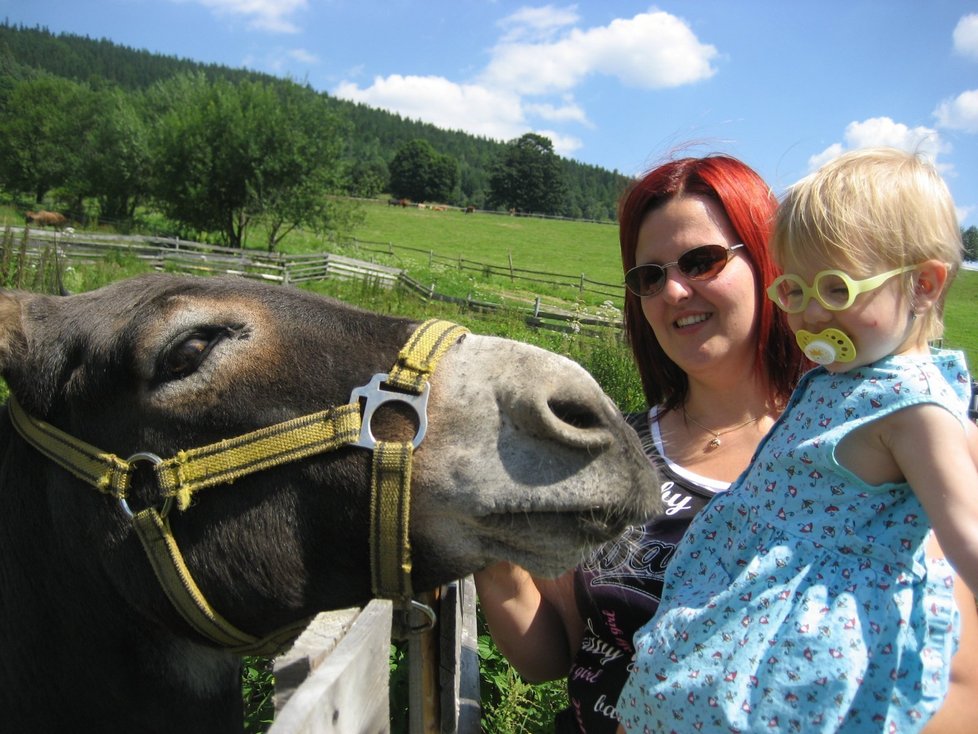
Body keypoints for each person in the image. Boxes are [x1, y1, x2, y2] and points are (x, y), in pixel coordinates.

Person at [474, 152, 978, 734]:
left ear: (768, 265)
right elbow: (554, 655)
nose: (674, 291)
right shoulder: (604, 451)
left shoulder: (882, 449)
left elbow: (948, 683)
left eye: (702, 260)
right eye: (650, 276)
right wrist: (491, 554)